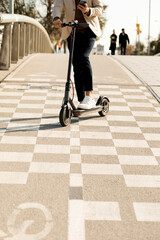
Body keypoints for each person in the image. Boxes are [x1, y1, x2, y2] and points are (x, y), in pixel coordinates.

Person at [53, 0, 103, 109]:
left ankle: (89, 97)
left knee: (83, 57)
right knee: (76, 62)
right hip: (72, 30)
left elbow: (100, 9)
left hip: (89, 30)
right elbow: (57, 5)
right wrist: (56, 18)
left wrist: (88, 10)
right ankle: (81, 100)